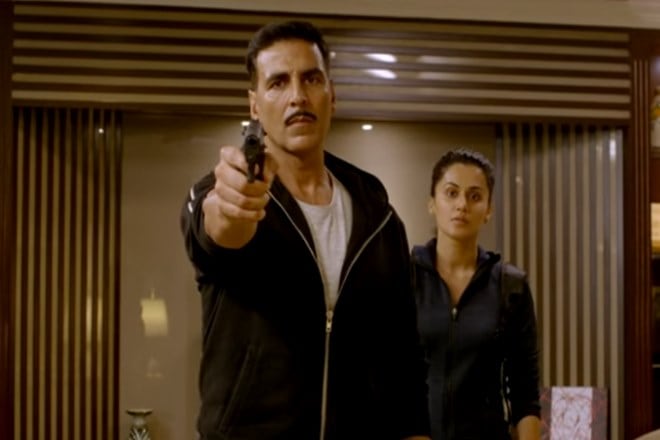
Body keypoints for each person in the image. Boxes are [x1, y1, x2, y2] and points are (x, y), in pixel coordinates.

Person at [180, 20, 431, 440]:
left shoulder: (378, 215)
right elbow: (220, 231)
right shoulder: (225, 191)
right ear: (255, 105)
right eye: (278, 82)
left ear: (332, 94)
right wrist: (235, 204)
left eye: (311, 79)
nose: (297, 95)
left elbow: (403, 353)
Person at [411, 148, 541, 440]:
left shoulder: (511, 286)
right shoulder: (405, 278)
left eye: (474, 196)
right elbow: (387, 379)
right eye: (451, 193)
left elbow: (525, 394)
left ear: (489, 210)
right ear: (432, 203)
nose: (462, 205)